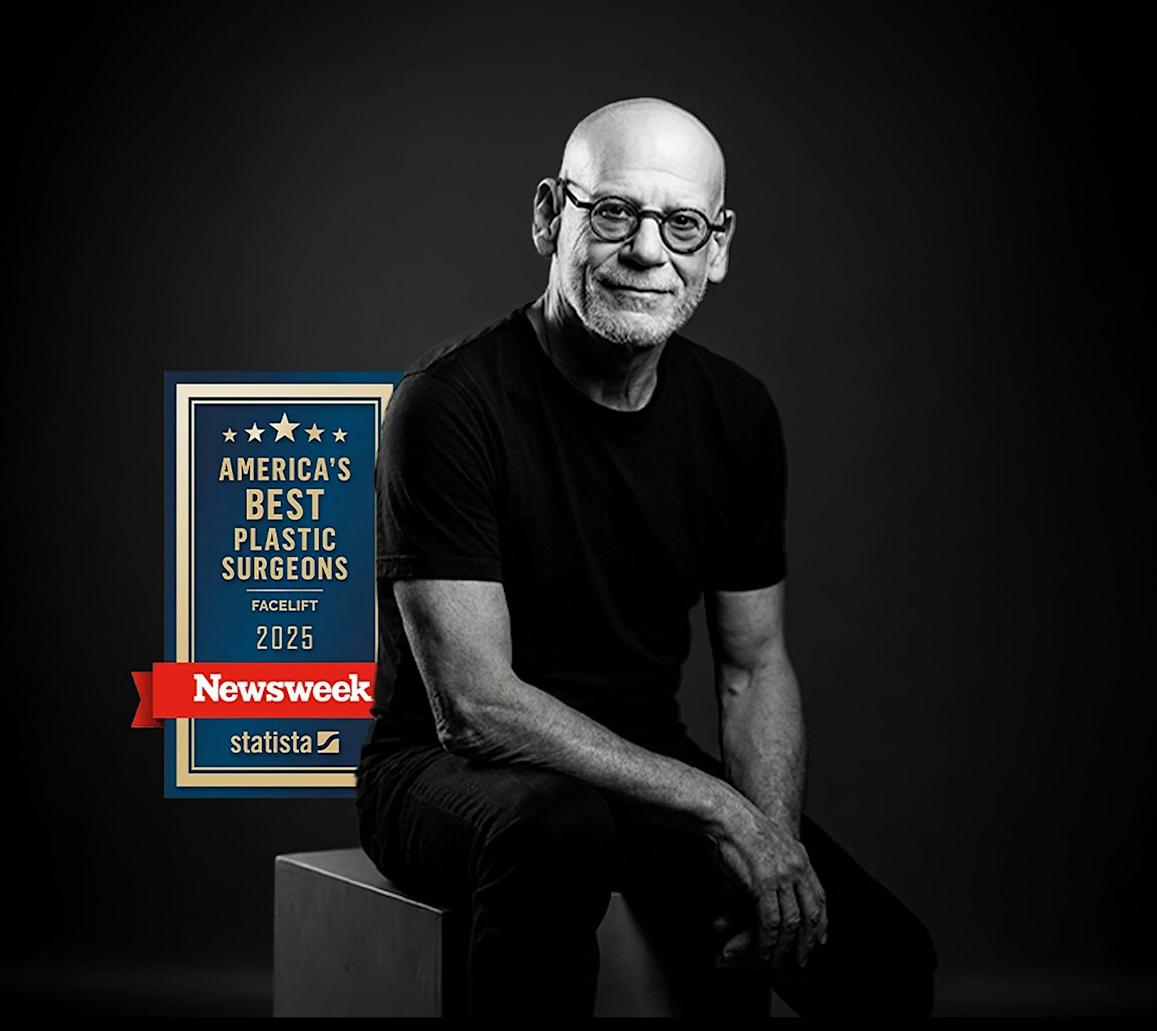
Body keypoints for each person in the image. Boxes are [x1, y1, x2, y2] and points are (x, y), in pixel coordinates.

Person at [354, 97, 937, 1017]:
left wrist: (770, 841)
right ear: (550, 215)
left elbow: (753, 666)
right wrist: (721, 809)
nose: (647, 251)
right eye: (615, 212)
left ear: (719, 245)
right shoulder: (447, 405)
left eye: (682, 224)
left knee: (888, 957)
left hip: (642, 767)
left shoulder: (737, 414)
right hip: (440, 774)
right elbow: (474, 706)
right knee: (558, 827)